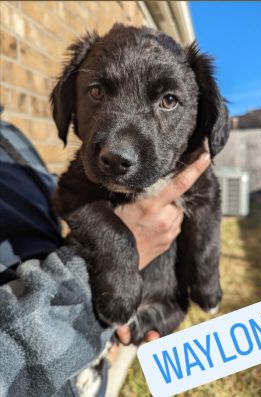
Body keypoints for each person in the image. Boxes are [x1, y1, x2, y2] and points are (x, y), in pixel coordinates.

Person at [0, 120, 210, 397]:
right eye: (97, 93)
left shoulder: (10, 134)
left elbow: (61, 202)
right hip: (64, 343)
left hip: (92, 332)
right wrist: (103, 281)